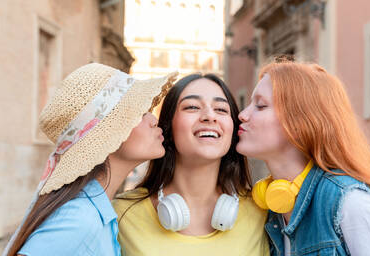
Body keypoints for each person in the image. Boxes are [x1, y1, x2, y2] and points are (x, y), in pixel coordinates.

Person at [237, 57, 370, 256]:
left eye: (260, 106)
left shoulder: (351, 204)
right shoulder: (275, 210)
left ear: (300, 123)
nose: (242, 114)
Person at [3, 63, 177, 256]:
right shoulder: (80, 220)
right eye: (140, 113)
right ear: (109, 132)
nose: (153, 120)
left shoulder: (94, 214)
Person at [113, 73, 270, 256]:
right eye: (192, 107)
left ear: (234, 129)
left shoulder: (263, 211)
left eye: (221, 109)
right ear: (167, 128)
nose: (209, 116)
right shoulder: (121, 214)